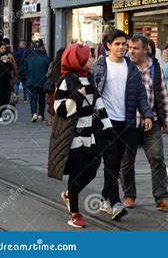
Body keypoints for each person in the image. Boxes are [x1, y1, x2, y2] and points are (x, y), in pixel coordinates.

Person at [48, 44, 112, 228]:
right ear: (79, 60)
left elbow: (98, 101)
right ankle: (74, 212)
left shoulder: (89, 77)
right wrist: (76, 95)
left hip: (91, 133)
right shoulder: (66, 80)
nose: (92, 59)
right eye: (89, 57)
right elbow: (58, 109)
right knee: (76, 173)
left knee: (92, 169)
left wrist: (107, 125)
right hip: (73, 134)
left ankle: (69, 194)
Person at [93, 29, 153, 221]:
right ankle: (116, 203)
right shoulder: (100, 66)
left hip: (125, 122)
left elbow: (140, 94)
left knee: (117, 163)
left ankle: (104, 197)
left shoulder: (131, 68)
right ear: (108, 45)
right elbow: (92, 93)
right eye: (117, 44)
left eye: (123, 44)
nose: (121, 48)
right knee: (110, 161)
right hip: (105, 121)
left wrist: (147, 114)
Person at [121, 35, 168, 211]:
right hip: (129, 122)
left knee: (157, 158)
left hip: (151, 121)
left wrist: (167, 119)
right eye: (129, 47)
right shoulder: (123, 67)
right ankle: (129, 195)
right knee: (127, 161)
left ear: (146, 49)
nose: (131, 51)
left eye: (135, 48)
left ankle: (161, 198)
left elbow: (162, 93)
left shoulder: (155, 67)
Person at [22, 40, 50, 122]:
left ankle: (34, 113)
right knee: (41, 98)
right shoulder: (46, 58)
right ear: (42, 47)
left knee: (33, 98)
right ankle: (41, 114)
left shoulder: (28, 58)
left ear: (33, 48)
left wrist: (26, 77)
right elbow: (48, 71)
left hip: (31, 81)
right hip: (43, 81)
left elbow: (24, 70)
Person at [0, 43, 17, 122]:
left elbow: (13, 69)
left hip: (7, 82)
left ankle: (0, 112)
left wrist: (10, 62)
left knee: (6, 99)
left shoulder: (8, 58)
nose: (3, 50)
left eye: (4, 48)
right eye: (1, 48)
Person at [45, 48, 65, 126]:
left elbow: (48, 74)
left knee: (51, 102)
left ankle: (51, 120)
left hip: (53, 86)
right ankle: (58, 119)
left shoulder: (53, 64)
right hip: (63, 85)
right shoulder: (66, 63)